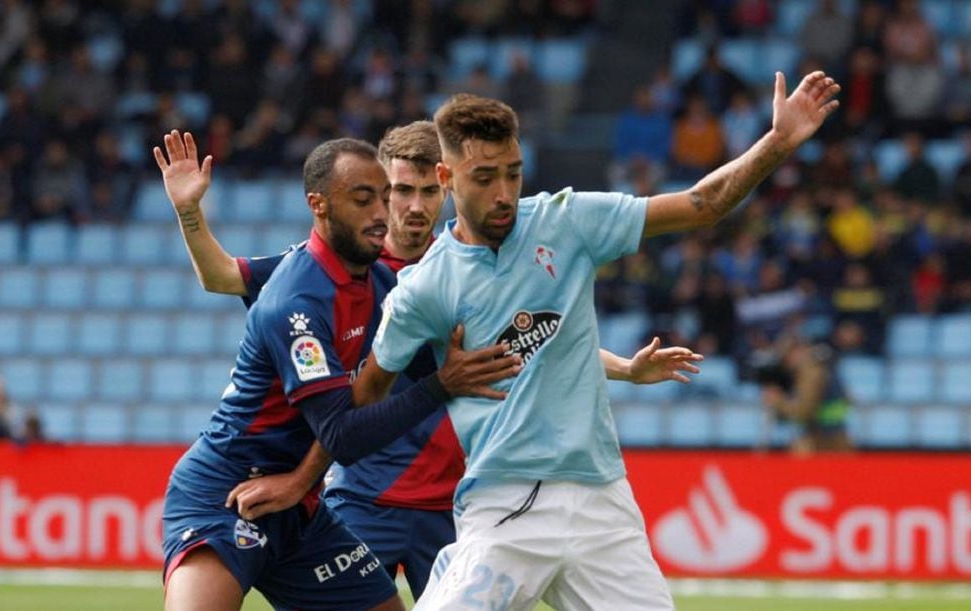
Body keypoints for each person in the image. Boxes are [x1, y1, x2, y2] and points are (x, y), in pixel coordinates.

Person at [355, 71, 840, 609]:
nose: (503, 194)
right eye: (484, 177)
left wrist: (776, 143)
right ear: (447, 176)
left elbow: (704, 204)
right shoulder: (422, 289)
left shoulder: (567, 221)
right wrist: (439, 384)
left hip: (602, 501)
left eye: (513, 175)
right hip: (506, 506)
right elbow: (363, 401)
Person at [164, 121, 703, 600]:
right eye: (396, 192)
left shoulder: (448, 272)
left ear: (445, 188)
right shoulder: (323, 274)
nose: (410, 207)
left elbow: (527, 347)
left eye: (424, 192)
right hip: (362, 492)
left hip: (449, 499)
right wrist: (190, 212)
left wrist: (625, 369)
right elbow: (223, 279)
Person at [153, 133, 519, 611]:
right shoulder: (296, 302)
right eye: (366, 199)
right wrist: (442, 385)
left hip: (302, 510)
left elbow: (475, 355)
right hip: (226, 494)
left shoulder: (386, 284)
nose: (382, 213)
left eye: (384, 198)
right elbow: (344, 433)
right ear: (319, 206)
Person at [760, 335, 854, 455]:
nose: (787, 364)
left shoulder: (811, 373)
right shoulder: (822, 365)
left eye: (787, 357)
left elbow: (804, 412)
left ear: (799, 350)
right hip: (834, 436)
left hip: (825, 442)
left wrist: (778, 401)